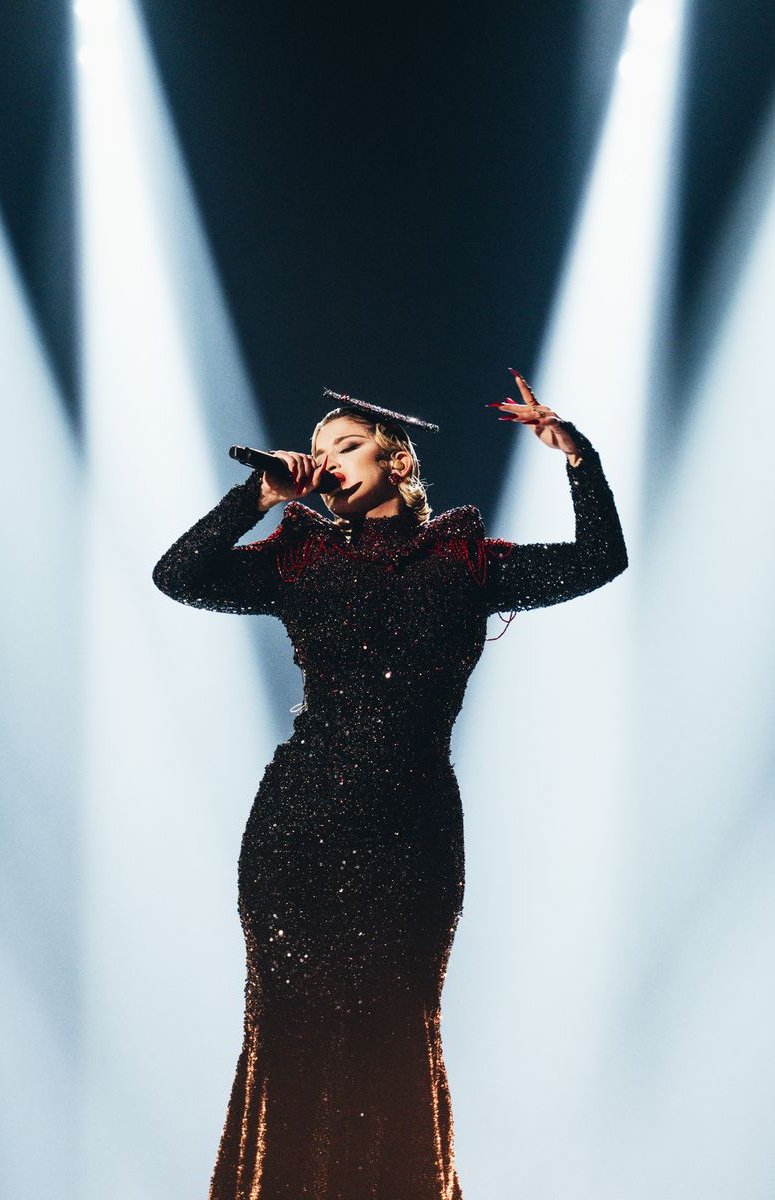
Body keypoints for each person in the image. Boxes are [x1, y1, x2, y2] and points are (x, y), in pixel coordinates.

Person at [152, 373, 627, 1199]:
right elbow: (178, 575)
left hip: (411, 829)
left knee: (393, 1029)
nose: (327, 458)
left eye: (345, 442)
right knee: (291, 1034)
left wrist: (577, 458)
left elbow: (599, 560)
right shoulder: (295, 554)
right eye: (319, 447)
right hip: (298, 826)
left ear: (396, 454)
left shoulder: (467, 559)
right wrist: (258, 496)